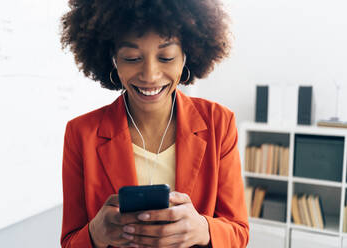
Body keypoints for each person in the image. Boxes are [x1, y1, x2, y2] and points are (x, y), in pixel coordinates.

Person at [60, 0, 249, 247]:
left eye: (166, 57)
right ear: (113, 60)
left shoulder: (219, 123)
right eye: (132, 58)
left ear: (186, 56)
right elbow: (70, 242)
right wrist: (95, 233)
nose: (150, 75)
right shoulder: (81, 133)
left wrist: (203, 230)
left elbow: (239, 232)